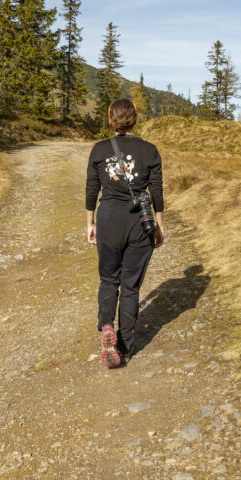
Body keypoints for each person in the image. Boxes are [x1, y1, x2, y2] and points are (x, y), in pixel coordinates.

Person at [85, 99, 165, 368]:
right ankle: (124, 346)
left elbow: (91, 189)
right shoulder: (150, 151)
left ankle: (107, 324)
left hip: (107, 218)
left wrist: (90, 223)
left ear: (111, 119)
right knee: (130, 287)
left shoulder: (98, 150)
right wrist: (160, 225)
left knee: (109, 279)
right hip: (137, 223)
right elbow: (157, 192)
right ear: (135, 119)